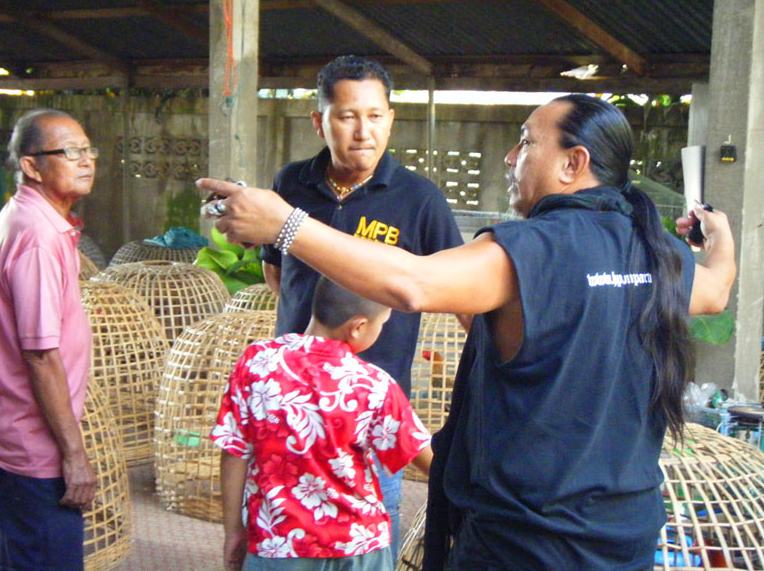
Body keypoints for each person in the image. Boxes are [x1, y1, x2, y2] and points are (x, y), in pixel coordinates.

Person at [198, 93, 737, 571]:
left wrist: (286, 225)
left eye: (526, 142)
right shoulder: (655, 252)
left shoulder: (529, 250)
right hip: (625, 535)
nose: (511, 156)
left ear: (573, 163)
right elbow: (715, 290)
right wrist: (721, 237)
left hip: (523, 540)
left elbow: (412, 284)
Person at [258, 54, 466, 560]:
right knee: (285, 527)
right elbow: (277, 273)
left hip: (373, 416)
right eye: (347, 116)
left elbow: (461, 292)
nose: (362, 131)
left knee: (370, 534)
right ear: (319, 121)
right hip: (294, 404)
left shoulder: (420, 200)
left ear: (390, 119)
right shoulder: (290, 184)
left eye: (375, 116)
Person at [212, 276, 433, 571]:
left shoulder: (256, 363)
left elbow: (234, 452)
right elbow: (423, 456)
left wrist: (233, 532)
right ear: (358, 327)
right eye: (381, 324)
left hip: (278, 542)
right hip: (359, 546)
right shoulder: (373, 384)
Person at [0, 108, 98, 571]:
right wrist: (75, 456)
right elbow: (40, 357)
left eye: (88, 150)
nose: (86, 161)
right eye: (70, 152)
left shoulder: (21, 212)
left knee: (19, 550)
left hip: (5, 420)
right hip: (32, 439)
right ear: (31, 166)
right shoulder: (38, 237)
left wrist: (4, 311)